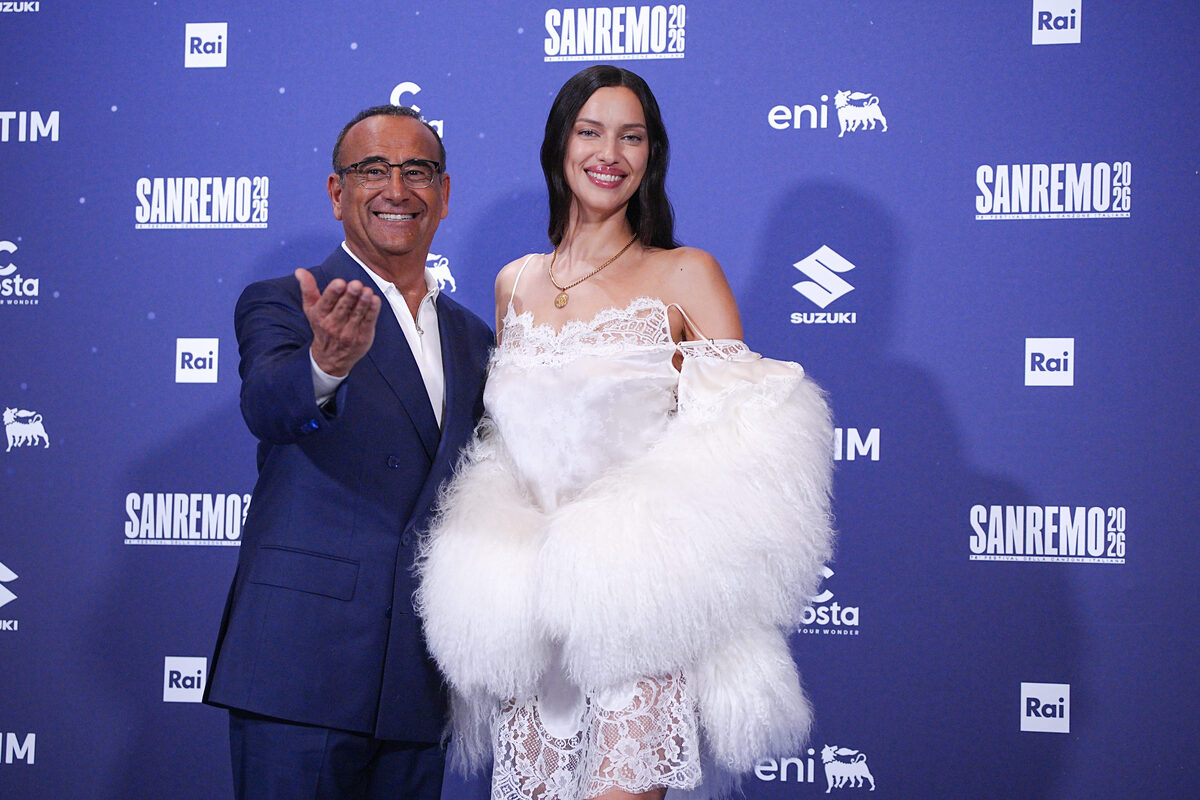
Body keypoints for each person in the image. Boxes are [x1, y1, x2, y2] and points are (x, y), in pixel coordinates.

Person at [416, 66, 835, 800]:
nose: (609, 153)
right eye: (591, 132)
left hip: (637, 621)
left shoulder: (687, 275)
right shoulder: (515, 283)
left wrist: (632, 556)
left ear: (651, 155)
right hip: (534, 625)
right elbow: (507, 447)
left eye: (631, 137)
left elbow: (743, 453)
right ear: (560, 146)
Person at [205, 104, 493, 800]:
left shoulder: (475, 338)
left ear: (444, 194)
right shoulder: (285, 302)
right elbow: (268, 405)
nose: (397, 189)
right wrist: (325, 365)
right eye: (372, 170)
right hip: (301, 670)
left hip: (418, 683)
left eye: (417, 171)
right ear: (338, 193)